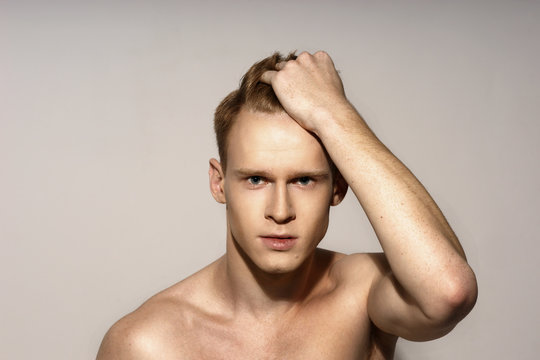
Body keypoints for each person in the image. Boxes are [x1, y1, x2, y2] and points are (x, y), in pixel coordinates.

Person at [96, 51, 478, 359]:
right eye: (256, 179)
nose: (280, 211)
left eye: (304, 180)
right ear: (219, 182)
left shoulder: (358, 296)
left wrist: (334, 114)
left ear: (338, 187)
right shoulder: (147, 344)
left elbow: (447, 292)